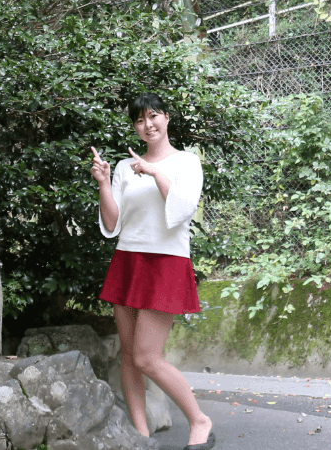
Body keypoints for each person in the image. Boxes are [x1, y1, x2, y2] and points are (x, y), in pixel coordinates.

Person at [90, 92, 215, 450]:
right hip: (128, 260)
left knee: (147, 356)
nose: (148, 125)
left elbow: (182, 210)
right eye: (140, 120)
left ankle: (199, 419)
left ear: (167, 118)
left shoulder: (186, 162)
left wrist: (155, 172)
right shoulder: (123, 167)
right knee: (129, 356)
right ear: (136, 127)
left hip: (166, 263)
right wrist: (103, 182)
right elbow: (113, 224)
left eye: (154, 116)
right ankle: (140, 435)